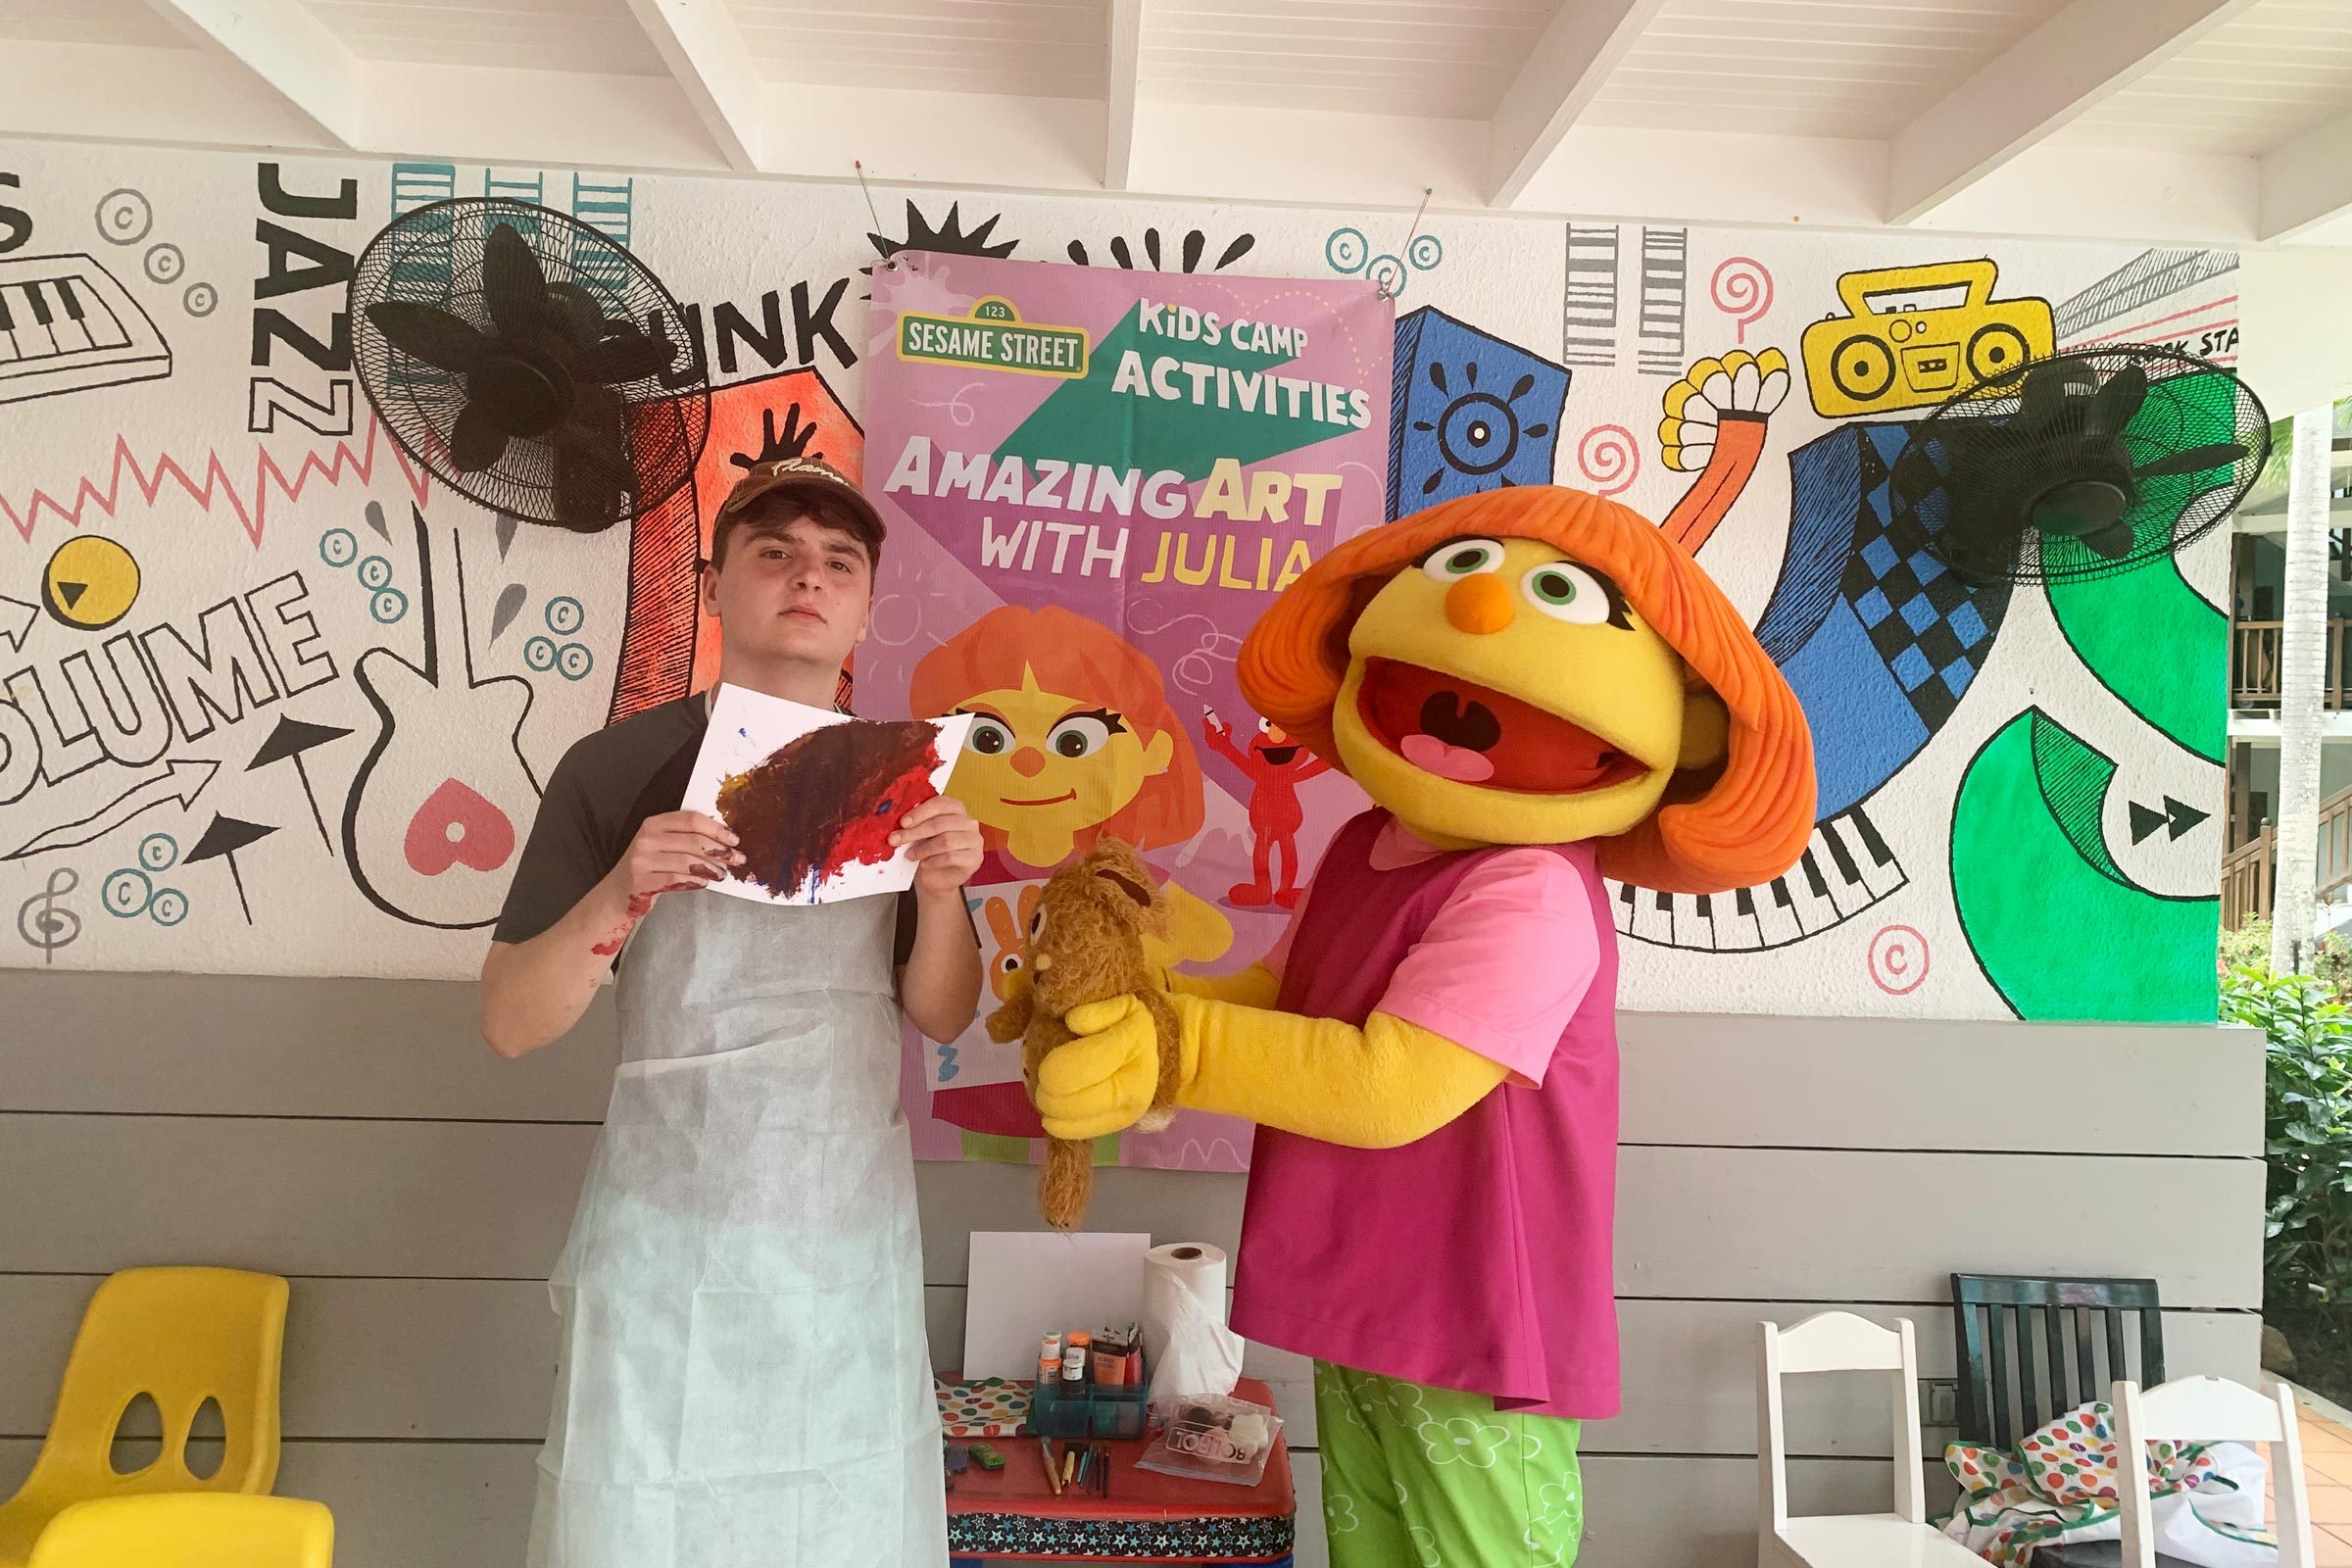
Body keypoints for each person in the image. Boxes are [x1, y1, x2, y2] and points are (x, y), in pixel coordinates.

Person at [1036, 485, 1815, 1567]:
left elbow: (1384, 1084)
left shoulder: (1530, 890)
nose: (1484, 625)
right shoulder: (1364, 842)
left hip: (1473, 1315)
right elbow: (1283, 999)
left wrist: (1174, 1048)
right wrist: (1145, 1009)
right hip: (1367, 1286)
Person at [480, 455, 982, 1568]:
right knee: (640, 1514)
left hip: (841, 1238)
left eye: (837, 562)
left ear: (863, 606)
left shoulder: (899, 787)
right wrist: (622, 891)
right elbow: (513, 1020)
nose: (808, 576)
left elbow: (943, 1012)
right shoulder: (621, 767)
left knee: (841, 1518)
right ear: (715, 585)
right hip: (668, 1232)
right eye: (774, 551)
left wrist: (940, 893)